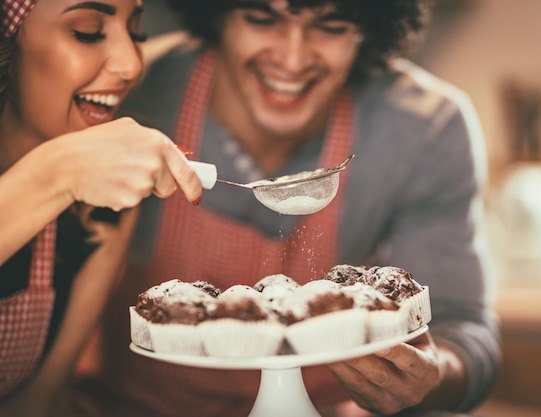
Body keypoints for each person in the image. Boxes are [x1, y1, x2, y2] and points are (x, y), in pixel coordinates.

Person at [71, 0, 501, 416]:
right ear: (218, 14)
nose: (293, 59)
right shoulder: (128, 92)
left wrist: (427, 376)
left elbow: (464, 336)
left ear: (368, 28)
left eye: (331, 25)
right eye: (261, 18)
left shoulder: (424, 130)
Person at [0, 0, 203, 415]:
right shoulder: (74, 175)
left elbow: (40, 402)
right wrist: (58, 172)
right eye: (88, 31)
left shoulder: (105, 208)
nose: (131, 64)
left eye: (136, 31)